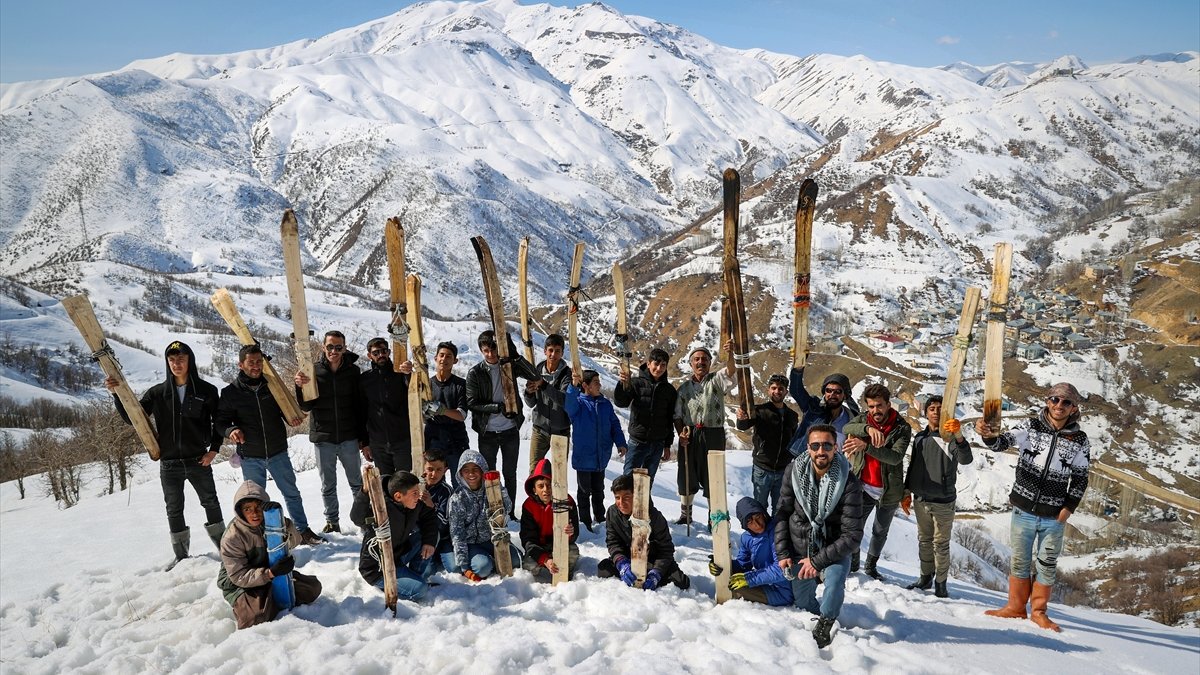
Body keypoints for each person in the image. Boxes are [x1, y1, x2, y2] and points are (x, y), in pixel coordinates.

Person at [978, 382, 1091, 632]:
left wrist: (1068, 508)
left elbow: (1081, 476)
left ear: (1074, 408)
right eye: (1054, 400)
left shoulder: (1079, 440)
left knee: (1047, 563)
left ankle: (1039, 612)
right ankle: (1015, 608)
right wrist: (987, 435)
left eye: (1066, 402)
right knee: (1019, 560)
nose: (1059, 405)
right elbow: (1002, 442)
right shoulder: (1030, 426)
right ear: (1047, 401)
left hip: (1054, 515)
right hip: (1024, 509)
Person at [106, 340, 225, 571]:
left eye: (181, 359)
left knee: (210, 502)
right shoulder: (157, 393)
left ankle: (226, 549)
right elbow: (133, 419)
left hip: (198, 460)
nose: (176, 363)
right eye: (172, 360)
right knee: (174, 508)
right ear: (167, 362)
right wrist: (116, 395)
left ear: (190, 360)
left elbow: (218, 422)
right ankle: (181, 557)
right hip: (169, 464)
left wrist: (214, 450)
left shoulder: (207, 391)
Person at [217, 344, 322, 545]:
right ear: (241, 365)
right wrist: (231, 431)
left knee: (292, 493)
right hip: (251, 456)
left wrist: (292, 418)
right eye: (251, 362)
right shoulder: (231, 392)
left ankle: (302, 531)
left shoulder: (273, 387)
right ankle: (259, 538)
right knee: (255, 502)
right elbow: (221, 422)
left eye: (259, 362)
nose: (256, 366)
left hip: (277, 452)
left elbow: (287, 409)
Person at [775, 424, 864, 649]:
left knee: (833, 585)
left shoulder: (849, 482)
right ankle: (813, 614)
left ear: (836, 447)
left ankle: (826, 621)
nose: (821, 451)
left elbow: (852, 536)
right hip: (799, 546)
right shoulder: (793, 472)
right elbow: (783, 513)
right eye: (815, 445)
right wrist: (783, 552)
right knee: (803, 601)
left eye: (826, 445)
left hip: (833, 548)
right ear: (808, 447)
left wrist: (817, 561)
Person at [217, 480, 322, 629]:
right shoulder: (233, 537)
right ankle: (254, 604)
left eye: (258, 507)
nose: (254, 513)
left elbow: (295, 540)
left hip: (271, 574)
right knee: (256, 618)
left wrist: (279, 517)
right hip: (241, 585)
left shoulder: (271, 521)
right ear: (240, 511)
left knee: (312, 589)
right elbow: (238, 576)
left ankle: (269, 598)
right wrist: (270, 573)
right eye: (247, 509)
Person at [294, 331, 365, 534]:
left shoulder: (353, 372)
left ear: (344, 348)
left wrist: (363, 437)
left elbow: (359, 406)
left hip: (348, 436)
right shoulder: (313, 371)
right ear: (323, 348)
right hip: (323, 436)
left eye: (338, 347)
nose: (334, 351)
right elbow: (306, 406)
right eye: (330, 347)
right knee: (328, 484)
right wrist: (299, 387)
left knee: (356, 483)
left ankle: (362, 519)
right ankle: (332, 521)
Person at [903, 395, 973, 598]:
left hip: (943, 501)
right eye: (931, 408)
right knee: (924, 541)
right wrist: (907, 491)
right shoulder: (919, 438)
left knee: (940, 545)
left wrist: (959, 436)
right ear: (926, 413)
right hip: (921, 499)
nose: (935, 411)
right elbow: (913, 467)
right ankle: (925, 577)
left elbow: (966, 459)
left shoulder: (949, 439)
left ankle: (941, 583)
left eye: (940, 408)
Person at [841, 383, 911, 578]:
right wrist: (866, 429)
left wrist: (866, 446)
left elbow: (895, 457)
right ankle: (853, 564)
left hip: (888, 490)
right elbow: (847, 426)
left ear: (889, 404)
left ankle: (870, 566)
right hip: (863, 486)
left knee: (880, 531)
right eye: (871, 406)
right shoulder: (864, 419)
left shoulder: (901, 428)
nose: (875, 411)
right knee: (854, 527)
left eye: (879, 406)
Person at [465, 330, 538, 512]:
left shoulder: (509, 366)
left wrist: (514, 355)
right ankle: (493, 508)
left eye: (493, 349)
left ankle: (511, 511)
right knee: (489, 474)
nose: (490, 354)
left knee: (510, 473)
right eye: (486, 350)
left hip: (510, 430)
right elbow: (472, 403)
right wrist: (498, 408)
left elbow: (534, 376)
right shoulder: (475, 373)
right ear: (481, 350)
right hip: (487, 432)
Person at [349, 470, 439, 602]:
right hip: (378, 569)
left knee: (429, 537)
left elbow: (429, 517)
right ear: (398, 496)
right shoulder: (380, 507)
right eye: (415, 493)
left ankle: (414, 578)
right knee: (421, 590)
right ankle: (402, 587)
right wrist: (364, 492)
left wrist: (429, 542)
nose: (419, 496)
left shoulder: (413, 503)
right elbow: (357, 518)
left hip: (397, 557)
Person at [673, 341, 735, 526]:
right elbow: (677, 414)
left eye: (704, 359)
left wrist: (730, 354)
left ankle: (713, 516)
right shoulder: (683, 389)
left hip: (713, 434)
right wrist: (681, 435)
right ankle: (686, 514)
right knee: (686, 472)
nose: (701, 362)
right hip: (690, 435)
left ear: (710, 363)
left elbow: (731, 371)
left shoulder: (717, 380)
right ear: (691, 363)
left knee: (713, 476)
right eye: (697, 359)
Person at [598, 473, 691, 590]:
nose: (621, 503)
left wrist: (656, 573)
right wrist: (621, 563)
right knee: (604, 569)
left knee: (680, 582)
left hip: (653, 559)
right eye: (617, 498)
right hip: (628, 559)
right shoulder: (612, 513)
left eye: (626, 497)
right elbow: (613, 542)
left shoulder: (655, 517)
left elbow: (666, 550)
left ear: (636, 496)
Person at [565, 369, 627, 531]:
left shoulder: (605, 404)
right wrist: (573, 385)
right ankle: (584, 521)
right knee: (584, 492)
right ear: (585, 385)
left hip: (601, 456)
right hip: (584, 457)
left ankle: (599, 517)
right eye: (596, 382)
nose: (599, 385)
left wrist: (620, 442)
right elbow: (568, 405)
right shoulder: (578, 404)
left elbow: (614, 425)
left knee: (599, 490)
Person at [447, 449, 522, 580]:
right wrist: (464, 567)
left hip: (491, 539)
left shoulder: (491, 488)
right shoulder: (457, 499)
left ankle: (493, 558)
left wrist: (499, 488)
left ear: (483, 470)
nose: (471, 473)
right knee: (483, 568)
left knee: (516, 561)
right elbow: (457, 534)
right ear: (460, 473)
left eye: (476, 468)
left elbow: (507, 508)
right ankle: (486, 560)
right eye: (466, 470)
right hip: (471, 544)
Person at [707, 496, 793, 606]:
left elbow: (782, 570)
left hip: (782, 591)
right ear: (744, 525)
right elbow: (743, 565)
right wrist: (720, 564)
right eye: (749, 521)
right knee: (727, 583)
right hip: (764, 584)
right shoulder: (746, 538)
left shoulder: (778, 532)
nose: (757, 524)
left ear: (763, 514)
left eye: (758, 517)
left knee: (731, 590)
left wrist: (749, 579)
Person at [735, 374, 799, 516]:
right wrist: (741, 418)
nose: (777, 391)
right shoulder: (759, 411)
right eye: (774, 388)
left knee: (780, 508)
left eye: (781, 389)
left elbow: (794, 440)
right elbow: (743, 426)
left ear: (786, 392)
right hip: (762, 469)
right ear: (768, 390)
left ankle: (776, 536)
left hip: (783, 470)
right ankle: (762, 536)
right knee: (759, 507)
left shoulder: (792, 416)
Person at [355, 336, 414, 488]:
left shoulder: (400, 374)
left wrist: (409, 373)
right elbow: (361, 412)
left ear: (389, 352)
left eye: (384, 351)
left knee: (406, 483)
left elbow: (414, 392)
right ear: (369, 355)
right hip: (378, 442)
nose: (381, 355)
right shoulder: (365, 379)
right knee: (385, 484)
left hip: (402, 440)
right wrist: (365, 443)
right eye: (376, 353)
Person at [614, 347, 677, 480]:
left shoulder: (669, 390)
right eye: (656, 364)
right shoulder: (636, 383)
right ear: (648, 364)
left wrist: (667, 445)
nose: (659, 368)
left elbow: (669, 419)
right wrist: (622, 384)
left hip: (657, 444)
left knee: (647, 483)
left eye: (663, 365)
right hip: (637, 442)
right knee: (628, 482)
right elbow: (621, 402)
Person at [519, 458, 581, 582]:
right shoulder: (529, 506)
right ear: (534, 489)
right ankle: (540, 576)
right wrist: (544, 559)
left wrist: (570, 533)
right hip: (538, 547)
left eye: (549, 485)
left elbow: (575, 533)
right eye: (541, 486)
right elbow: (528, 539)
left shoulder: (567, 501)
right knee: (529, 565)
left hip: (560, 545)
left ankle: (565, 574)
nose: (546, 490)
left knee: (573, 552)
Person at [522, 334, 572, 474]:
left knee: (559, 473)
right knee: (534, 471)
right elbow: (531, 403)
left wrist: (543, 385)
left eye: (557, 351)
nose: (553, 354)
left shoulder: (567, 375)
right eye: (550, 350)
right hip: (540, 429)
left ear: (562, 353)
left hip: (561, 431)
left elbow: (564, 400)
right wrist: (529, 392)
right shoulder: (536, 371)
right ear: (545, 351)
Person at [785, 368, 860, 456]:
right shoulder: (813, 407)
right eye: (828, 391)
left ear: (845, 395)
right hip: (805, 462)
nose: (832, 394)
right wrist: (798, 370)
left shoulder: (851, 418)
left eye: (837, 392)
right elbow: (796, 391)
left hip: (834, 467)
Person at [425, 341, 470, 476]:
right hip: (434, 439)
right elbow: (421, 414)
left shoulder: (461, 385)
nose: (444, 359)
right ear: (436, 358)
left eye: (449, 356)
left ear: (455, 360)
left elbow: (462, 414)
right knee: (434, 481)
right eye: (442, 355)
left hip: (456, 440)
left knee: (460, 482)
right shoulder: (427, 384)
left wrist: (443, 411)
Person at [419, 451, 455, 573]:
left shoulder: (447, 491)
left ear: (445, 470)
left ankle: (439, 556)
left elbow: (444, 523)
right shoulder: (415, 487)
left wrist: (431, 506)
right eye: (430, 469)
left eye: (439, 470)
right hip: (422, 538)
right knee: (427, 571)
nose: (433, 474)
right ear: (423, 467)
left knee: (454, 568)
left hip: (443, 538)